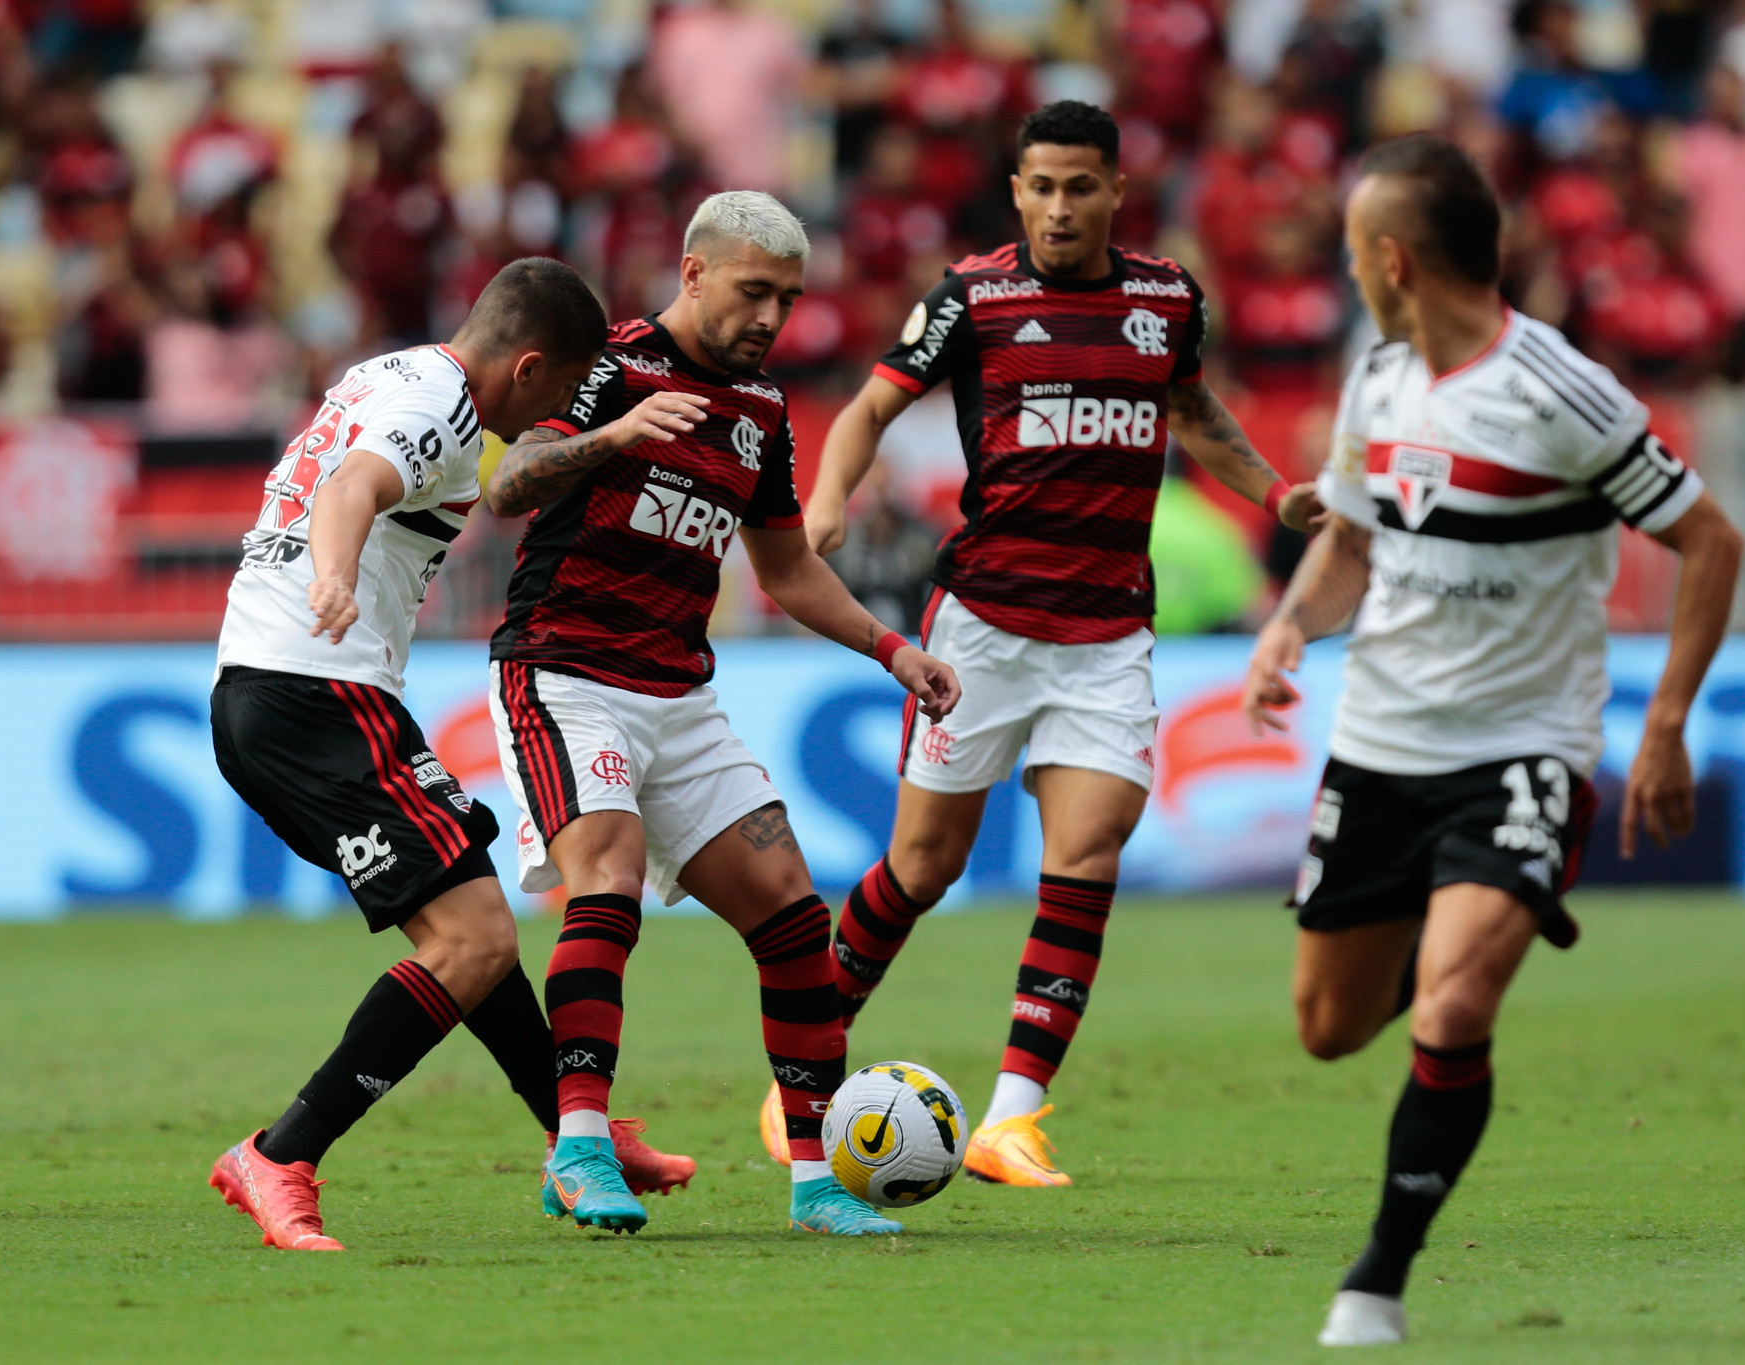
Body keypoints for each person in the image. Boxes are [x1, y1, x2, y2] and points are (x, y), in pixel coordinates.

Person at [1238, 135, 1744, 1346]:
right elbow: (1351, 539)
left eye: (1356, 251)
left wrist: (1663, 720)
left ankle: (1374, 1280)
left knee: (1452, 1010)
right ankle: (1451, 905)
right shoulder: (1375, 378)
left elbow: (1708, 541)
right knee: (1326, 1028)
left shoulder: (1561, 393)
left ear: (1393, 258)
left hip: (1522, 745)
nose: (1352, 272)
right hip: (1379, 743)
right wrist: (1286, 629)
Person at [786, 101, 1318, 1186]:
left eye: (1081, 186)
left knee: (1085, 859)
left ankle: (1011, 1119)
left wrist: (1275, 494)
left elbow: (1195, 413)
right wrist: (828, 498)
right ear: (1016, 192)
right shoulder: (972, 298)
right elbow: (867, 409)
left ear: (1116, 191)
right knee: (922, 866)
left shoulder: (1166, 298)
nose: (1061, 206)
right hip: (981, 624)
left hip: (1108, 632)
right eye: (1042, 187)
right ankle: (797, 1071)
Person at [483, 192, 962, 1237]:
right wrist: (611, 435)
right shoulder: (606, 363)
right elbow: (509, 483)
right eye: (754, 291)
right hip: (564, 673)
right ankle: (576, 1146)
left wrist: (892, 649)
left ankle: (817, 1182)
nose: (769, 317)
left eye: (786, 300)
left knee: (793, 915)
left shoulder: (762, 410)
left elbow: (787, 571)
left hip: (676, 692)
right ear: (694, 274)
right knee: (601, 878)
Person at [205, 258, 694, 1253]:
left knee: (471, 923)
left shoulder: (393, 371)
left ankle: (576, 1134)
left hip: (289, 688)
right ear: (525, 366)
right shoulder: (441, 409)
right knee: (471, 941)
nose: (556, 410)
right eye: (559, 390)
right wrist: (336, 576)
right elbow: (351, 488)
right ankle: (281, 1153)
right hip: (314, 690)